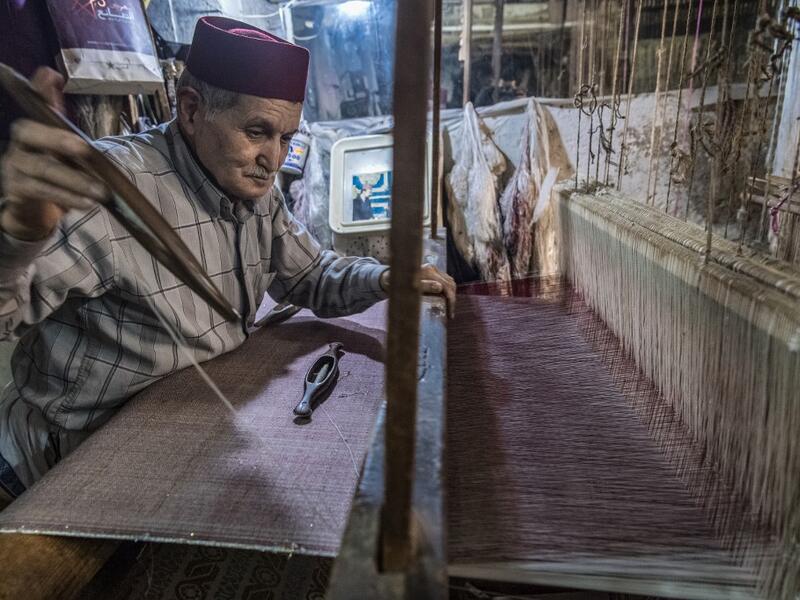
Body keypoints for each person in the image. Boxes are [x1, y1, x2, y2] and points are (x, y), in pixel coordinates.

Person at [0, 16, 455, 503]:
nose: (275, 159)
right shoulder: (107, 190)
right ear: (192, 110)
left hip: (175, 442)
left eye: (287, 138)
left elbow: (311, 275)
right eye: (258, 131)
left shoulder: (256, 191)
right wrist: (20, 232)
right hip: (60, 467)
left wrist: (387, 278)